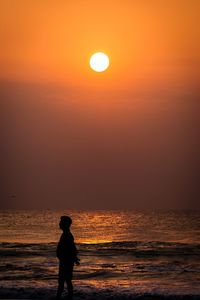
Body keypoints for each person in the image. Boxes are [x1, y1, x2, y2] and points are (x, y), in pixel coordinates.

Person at [56, 216, 80, 299]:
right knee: (66, 281)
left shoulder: (67, 235)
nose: (59, 223)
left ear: (65, 224)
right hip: (65, 261)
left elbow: (72, 249)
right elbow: (73, 248)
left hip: (66, 262)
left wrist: (74, 258)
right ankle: (69, 297)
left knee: (63, 281)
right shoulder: (66, 234)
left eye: (61, 222)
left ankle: (62, 297)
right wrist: (75, 258)